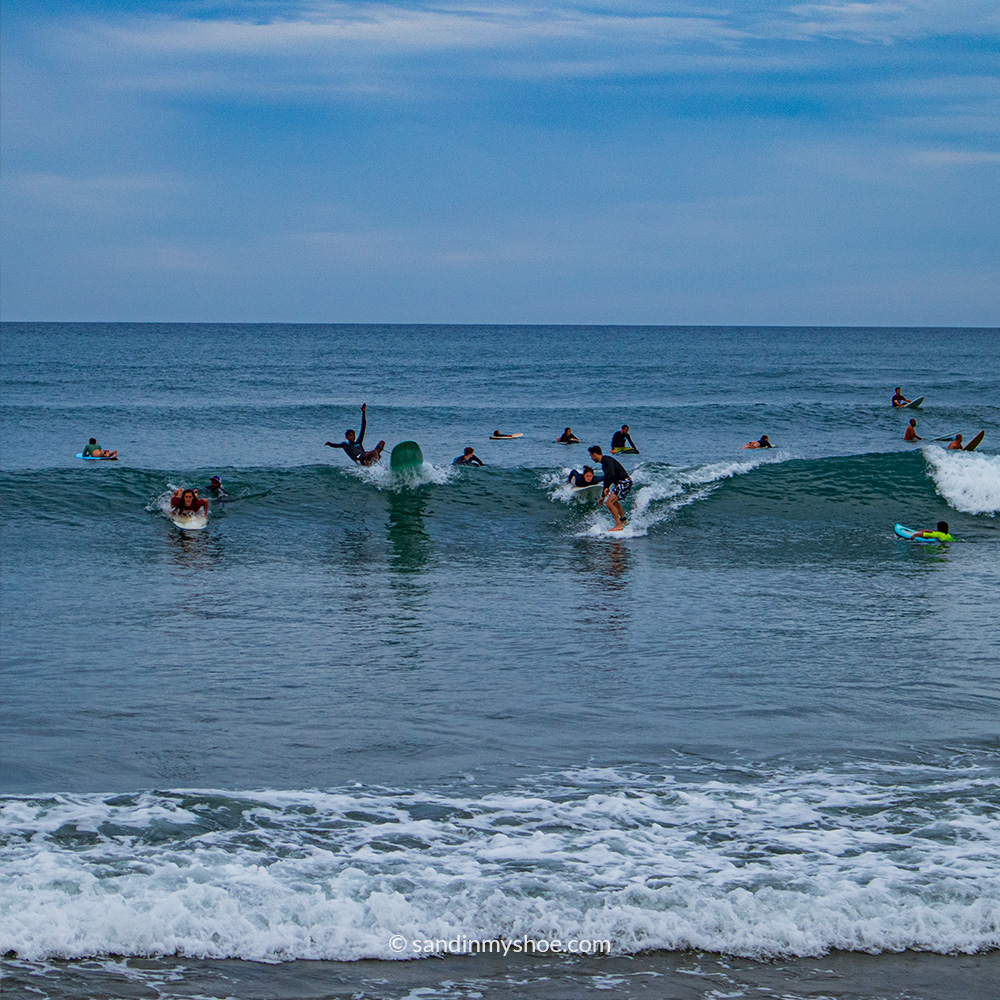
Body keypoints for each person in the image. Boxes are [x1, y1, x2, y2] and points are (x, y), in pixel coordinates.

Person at [588, 445, 632, 531]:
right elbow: (607, 478)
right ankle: (624, 521)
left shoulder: (607, 460)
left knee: (609, 503)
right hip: (622, 483)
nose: (591, 458)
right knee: (613, 501)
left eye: (591, 456)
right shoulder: (604, 464)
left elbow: (612, 474)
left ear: (595, 454)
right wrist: (602, 496)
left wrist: (607, 487)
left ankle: (619, 525)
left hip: (624, 482)